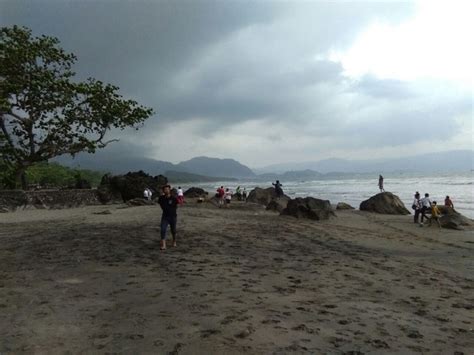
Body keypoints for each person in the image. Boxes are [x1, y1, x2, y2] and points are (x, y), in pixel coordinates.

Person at [158, 184, 178, 250]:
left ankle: (174, 241)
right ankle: (163, 245)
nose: (166, 190)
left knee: (173, 230)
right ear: (163, 191)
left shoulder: (174, 198)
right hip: (165, 217)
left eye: (167, 189)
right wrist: (165, 209)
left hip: (173, 217)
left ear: (170, 190)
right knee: (163, 229)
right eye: (165, 189)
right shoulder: (161, 198)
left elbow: (176, 206)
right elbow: (161, 205)